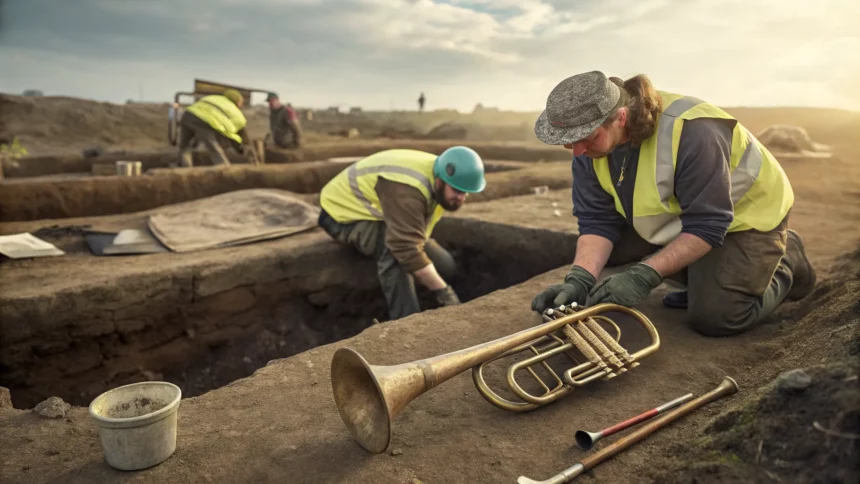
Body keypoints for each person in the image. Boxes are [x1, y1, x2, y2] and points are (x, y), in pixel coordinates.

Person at [531, 71, 816, 336]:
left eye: (586, 139)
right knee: (608, 255)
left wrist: (643, 277)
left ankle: (787, 257)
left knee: (716, 317)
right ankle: (706, 276)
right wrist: (578, 280)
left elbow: (708, 224)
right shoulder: (586, 150)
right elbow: (597, 220)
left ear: (620, 117)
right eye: (568, 143)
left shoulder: (694, 131)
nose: (577, 151)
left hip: (747, 218)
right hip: (681, 217)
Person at [318, 146, 486, 320]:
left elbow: (415, 237)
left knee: (445, 265)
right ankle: (406, 321)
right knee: (393, 250)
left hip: (383, 213)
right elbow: (404, 247)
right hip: (341, 214)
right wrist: (444, 292)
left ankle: (429, 288)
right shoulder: (407, 188)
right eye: (457, 190)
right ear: (440, 180)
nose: (461, 197)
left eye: (466, 192)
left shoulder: (439, 177)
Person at [177, 89, 252, 167]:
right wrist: (240, 149)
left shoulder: (213, 97)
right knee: (213, 147)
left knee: (185, 146)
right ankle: (225, 169)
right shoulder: (236, 113)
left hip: (188, 116)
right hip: (204, 121)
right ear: (237, 101)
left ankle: (185, 168)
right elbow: (235, 136)